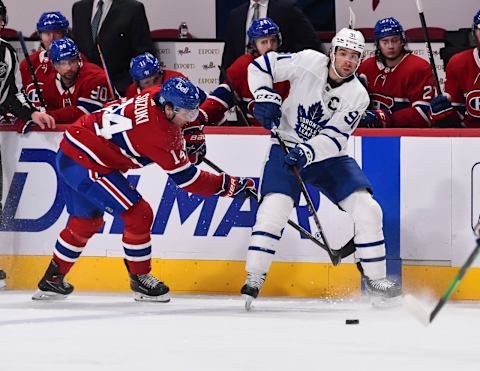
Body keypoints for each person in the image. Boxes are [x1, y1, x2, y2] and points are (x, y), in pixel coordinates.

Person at [32, 76, 256, 302]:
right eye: (187, 115)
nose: (191, 117)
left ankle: (52, 279)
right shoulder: (160, 135)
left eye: (193, 113)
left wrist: (191, 128)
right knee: (139, 215)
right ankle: (140, 278)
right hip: (87, 161)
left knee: (86, 221)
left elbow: (194, 99)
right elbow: (188, 180)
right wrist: (229, 185)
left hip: (74, 148)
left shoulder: (158, 93)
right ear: (168, 109)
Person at [242, 28, 402, 309]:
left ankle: (375, 279)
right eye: (343, 53)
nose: (347, 61)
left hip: (327, 157)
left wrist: (307, 151)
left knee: (368, 209)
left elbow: (335, 138)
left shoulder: (358, 96)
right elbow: (261, 65)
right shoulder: (307, 61)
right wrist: (264, 94)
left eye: (354, 56)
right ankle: (254, 276)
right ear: (333, 52)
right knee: (273, 210)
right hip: (286, 145)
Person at [199, 17, 289, 126]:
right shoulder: (243, 65)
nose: (269, 46)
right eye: (264, 42)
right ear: (254, 44)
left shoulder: (289, 66)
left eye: (273, 40)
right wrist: (201, 115)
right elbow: (222, 96)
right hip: (253, 134)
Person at [357, 17, 435, 128]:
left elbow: (424, 114)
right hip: (371, 135)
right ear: (378, 44)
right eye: (385, 41)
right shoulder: (366, 67)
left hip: (408, 136)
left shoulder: (419, 67)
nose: (390, 46)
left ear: (402, 41)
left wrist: (387, 118)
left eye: (394, 40)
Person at [72, 0, 154, 95]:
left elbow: (143, 52)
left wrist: (128, 87)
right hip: (85, 90)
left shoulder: (133, 9)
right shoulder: (79, 8)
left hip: (120, 91)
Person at [25, 38, 109, 126]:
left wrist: (48, 116)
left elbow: (87, 112)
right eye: (63, 63)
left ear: (78, 59)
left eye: (72, 61)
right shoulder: (49, 84)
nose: (69, 68)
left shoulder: (95, 76)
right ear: (54, 65)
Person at [221, 0, 322, 71]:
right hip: (244, 86)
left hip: (280, 84)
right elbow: (229, 56)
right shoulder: (236, 14)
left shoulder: (287, 9)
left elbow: (311, 42)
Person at [429, 9, 480, 128]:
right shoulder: (459, 63)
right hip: (470, 139)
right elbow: (457, 116)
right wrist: (444, 113)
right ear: (474, 33)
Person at [20, 11, 70, 90]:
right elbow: (19, 94)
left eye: (57, 32)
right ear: (40, 35)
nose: (52, 38)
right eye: (47, 33)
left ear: (64, 34)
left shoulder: (77, 60)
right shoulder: (29, 63)